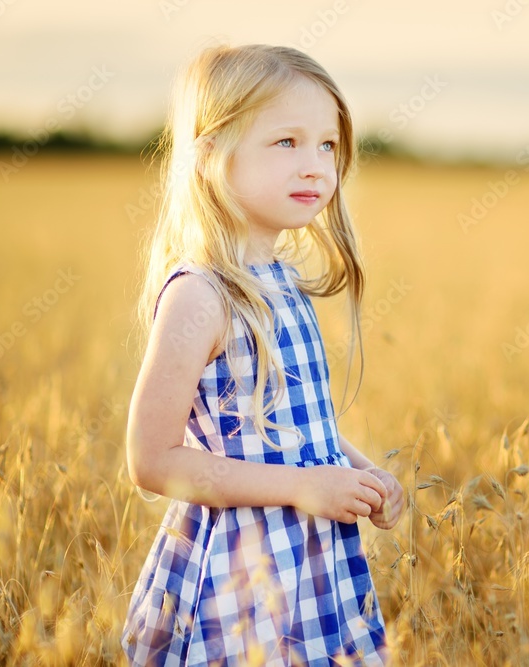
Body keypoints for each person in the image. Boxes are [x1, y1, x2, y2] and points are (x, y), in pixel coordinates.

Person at [120, 43, 404, 666]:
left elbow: (297, 428)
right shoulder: (202, 294)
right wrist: (304, 489)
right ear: (209, 156)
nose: (316, 167)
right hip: (243, 570)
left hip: (312, 563)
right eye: (286, 143)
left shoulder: (282, 281)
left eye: (327, 145)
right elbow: (151, 460)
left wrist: (358, 472)